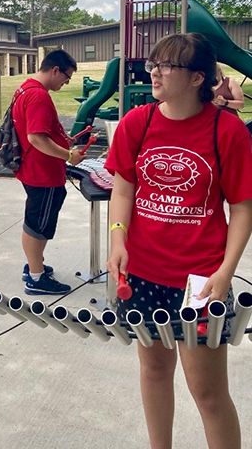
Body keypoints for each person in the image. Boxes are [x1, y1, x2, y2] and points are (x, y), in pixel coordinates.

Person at [106, 33, 252, 449]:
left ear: (196, 79)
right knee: (154, 371)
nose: (155, 71)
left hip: (199, 283)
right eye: (154, 63)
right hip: (144, 273)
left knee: (207, 392)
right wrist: (118, 239)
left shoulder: (227, 131)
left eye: (167, 65)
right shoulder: (139, 121)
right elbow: (123, 188)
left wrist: (225, 272)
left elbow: (242, 207)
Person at [12, 49, 85, 295]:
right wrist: (69, 155)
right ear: (55, 70)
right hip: (41, 172)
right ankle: (35, 277)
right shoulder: (39, 96)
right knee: (36, 225)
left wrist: (65, 139)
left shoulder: (26, 88)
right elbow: (36, 138)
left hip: (32, 169)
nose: (66, 82)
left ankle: (35, 265)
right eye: (67, 77)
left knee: (38, 221)